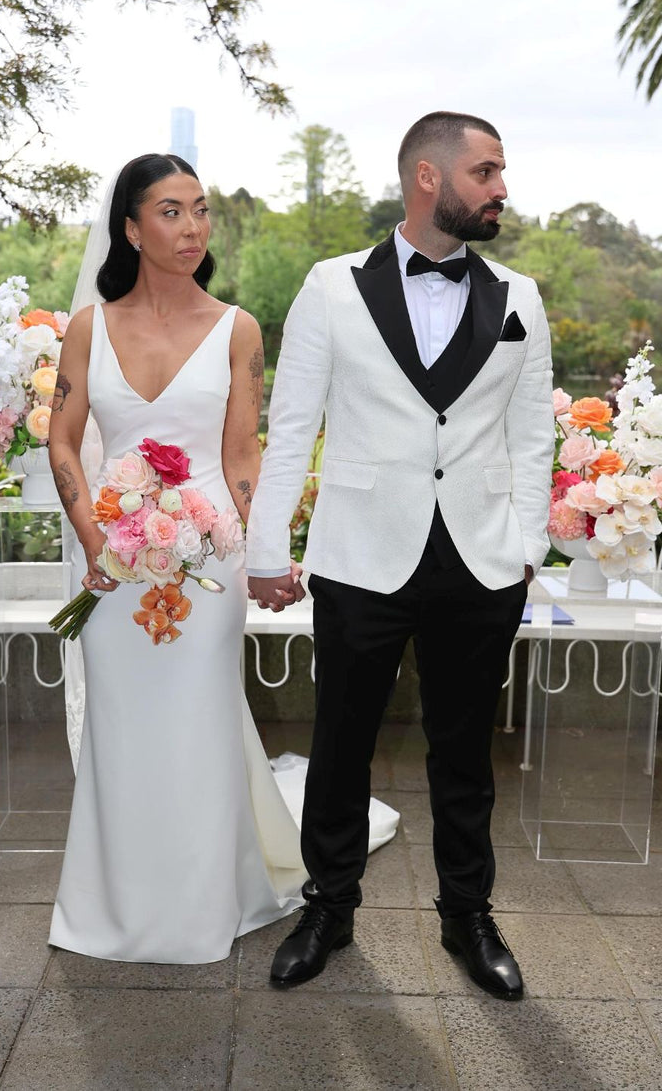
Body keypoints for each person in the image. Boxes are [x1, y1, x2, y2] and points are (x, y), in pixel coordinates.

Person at [47, 153, 399, 963]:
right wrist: (95, 542)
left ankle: (202, 900)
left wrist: (265, 551)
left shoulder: (237, 328)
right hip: (110, 568)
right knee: (122, 726)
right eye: (170, 212)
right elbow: (64, 439)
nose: (193, 228)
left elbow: (244, 455)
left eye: (201, 210)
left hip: (210, 565)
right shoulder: (87, 328)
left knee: (197, 724)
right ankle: (113, 899)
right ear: (131, 228)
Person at [246, 111, 554, 999]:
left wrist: (527, 546)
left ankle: (468, 915)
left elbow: (534, 436)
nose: (501, 188)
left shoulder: (520, 298)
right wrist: (272, 548)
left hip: (481, 559)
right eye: (487, 171)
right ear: (430, 177)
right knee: (341, 743)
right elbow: (292, 426)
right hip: (359, 555)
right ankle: (328, 909)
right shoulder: (330, 286)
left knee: (465, 752)